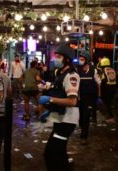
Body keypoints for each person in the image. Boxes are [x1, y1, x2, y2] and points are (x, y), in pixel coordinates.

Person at [38, 43, 80, 171]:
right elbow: (60, 93)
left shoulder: (71, 76)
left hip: (67, 120)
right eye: (55, 56)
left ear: (66, 59)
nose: (55, 58)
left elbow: (72, 101)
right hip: (61, 118)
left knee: (51, 154)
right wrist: (50, 111)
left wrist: (50, 99)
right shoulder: (61, 73)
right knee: (59, 153)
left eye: (58, 56)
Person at [77, 51, 101, 145]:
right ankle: (83, 128)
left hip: (90, 98)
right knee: (80, 118)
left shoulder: (93, 70)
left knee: (86, 117)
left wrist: (99, 97)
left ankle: (84, 137)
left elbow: (99, 84)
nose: (80, 61)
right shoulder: (77, 70)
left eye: (82, 59)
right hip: (80, 98)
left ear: (87, 60)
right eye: (80, 59)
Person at [99, 57, 117, 124]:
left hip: (107, 89)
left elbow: (102, 81)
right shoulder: (112, 70)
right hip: (113, 89)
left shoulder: (104, 71)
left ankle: (111, 118)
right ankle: (111, 116)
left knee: (107, 104)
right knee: (109, 104)